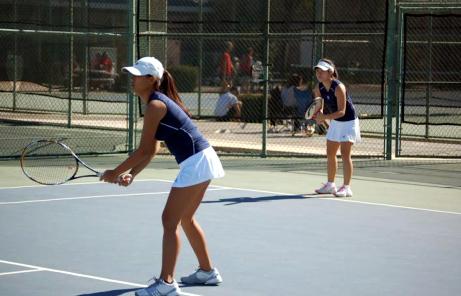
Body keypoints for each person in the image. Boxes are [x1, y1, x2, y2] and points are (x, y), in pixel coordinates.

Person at [100, 57, 224, 296]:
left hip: (197, 161)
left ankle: (166, 284)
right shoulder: (156, 104)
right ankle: (207, 272)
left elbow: (144, 150)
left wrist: (115, 172)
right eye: (132, 74)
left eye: (137, 75)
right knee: (186, 218)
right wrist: (132, 173)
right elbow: (153, 148)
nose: (132, 79)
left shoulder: (156, 106)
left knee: (170, 221)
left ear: (152, 80)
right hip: (204, 158)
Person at [312, 58, 361, 197]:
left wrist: (325, 117)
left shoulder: (339, 87)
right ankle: (330, 185)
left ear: (330, 72)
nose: (319, 73)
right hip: (336, 122)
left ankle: (346, 187)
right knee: (331, 153)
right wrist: (319, 115)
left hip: (349, 121)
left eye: (322, 71)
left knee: (345, 154)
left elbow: (342, 111)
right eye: (317, 70)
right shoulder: (318, 87)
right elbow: (318, 105)